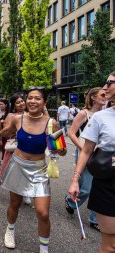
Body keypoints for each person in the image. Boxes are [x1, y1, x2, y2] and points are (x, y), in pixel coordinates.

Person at [0, 88, 66, 253]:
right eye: (30, 98)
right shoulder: (18, 119)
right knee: (15, 204)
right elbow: (7, 131)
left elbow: (62, 151)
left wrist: (57, 145)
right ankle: (10, 230)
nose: (32, 101)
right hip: (17, 166)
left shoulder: (51, 123)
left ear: (44, 102)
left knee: (43, 212)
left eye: (37, 98)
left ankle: (43, 248)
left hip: (39, 170)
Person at [68, 74, 115, 253]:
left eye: (109, 83)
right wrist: (74, 179)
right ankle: (90, 216)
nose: (105, 87)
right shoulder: (100, 117)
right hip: (107, 183)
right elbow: (86, 150)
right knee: (111, 246)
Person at [65, 87, 106, 231]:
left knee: (99, 187)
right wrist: (83, 149)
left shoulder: (106, 114)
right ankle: (70, 201)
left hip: (101, 155)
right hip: (85, 152)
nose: (105, 96)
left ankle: (95, 219)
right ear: (93, 97)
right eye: (102, 94)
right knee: (86, 187)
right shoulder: (84, 113)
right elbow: (71, 133)